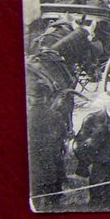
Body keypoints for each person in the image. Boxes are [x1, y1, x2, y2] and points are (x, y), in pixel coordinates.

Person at [27, 77, 70, 211]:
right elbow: (63, 136)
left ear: (29, 99)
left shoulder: (27, 116)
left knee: (35, 192)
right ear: (45, 98)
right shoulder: (55, 115)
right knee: (53, 193)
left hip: (33, 161)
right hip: (52, 159)